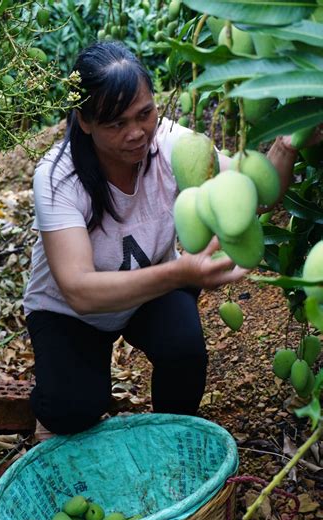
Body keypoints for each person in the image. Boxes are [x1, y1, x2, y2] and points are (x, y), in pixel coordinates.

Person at [23, 41, 299, 436]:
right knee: (74, 407)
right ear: (84, 121)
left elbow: (249, 197)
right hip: (70, 313)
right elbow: (79, 290)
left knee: (184, 350)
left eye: (145, 113)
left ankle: (173, 437)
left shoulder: (171, 144)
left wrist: (285, 146)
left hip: (148, 293)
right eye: (116, 124)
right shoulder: (57, 178)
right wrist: (181, 272)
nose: (136, 133)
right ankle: (49, 408)